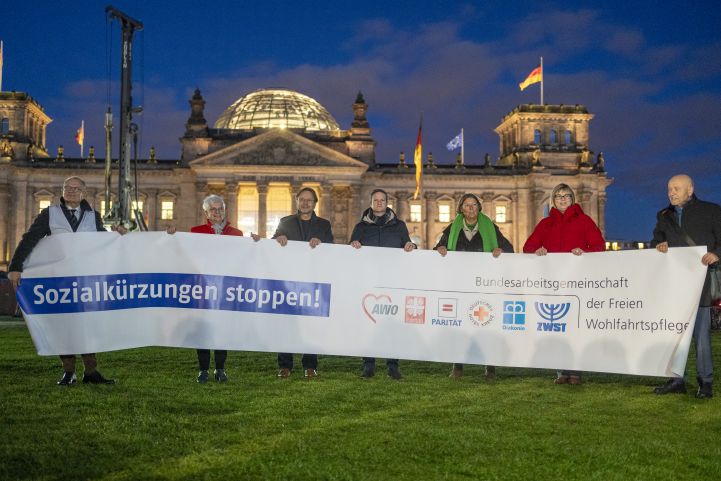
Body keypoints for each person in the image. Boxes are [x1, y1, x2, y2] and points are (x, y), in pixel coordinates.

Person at [8, 176, 123, 386]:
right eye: (67, 188)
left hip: (86, 281)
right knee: (63, 325)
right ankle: (69, 371)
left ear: (84, 193)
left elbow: (103, 242)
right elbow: (29, 239)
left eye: (76, 188)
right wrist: (15, 267)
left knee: (87, 326)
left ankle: (91, 371)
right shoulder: (49, 214)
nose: (71, 191)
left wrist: (117, 235)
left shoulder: (93, 216)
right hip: (59, 282)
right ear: (62, 191)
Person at [523, 183, 606, 385]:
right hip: (553, 283)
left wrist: (584, 253)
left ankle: (576, 371)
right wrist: (538, 251)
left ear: (572, 199)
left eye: (566, 195)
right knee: (557, 327)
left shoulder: (584, 221)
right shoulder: (545, 224)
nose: (562, 199)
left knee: (575, 327)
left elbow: (599, 246)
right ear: (553, 200)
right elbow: (528, 247)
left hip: (577, 282)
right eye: (558, 196)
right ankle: (561, 372)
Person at [650, 174, 721, 399]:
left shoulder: (711, 211)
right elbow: (656, 240)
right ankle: (676, 379)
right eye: (669, 188)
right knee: (673, 336)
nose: (671, 192)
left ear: (690, 190)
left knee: (701, 337)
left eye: (676, 188)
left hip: (700, 284)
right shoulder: (664, 215)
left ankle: (706, 382)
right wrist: (658, 245)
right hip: (674, 285)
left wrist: (716, 254)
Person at [254, 187, 333, 379]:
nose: (305, 203)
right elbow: (272, 246)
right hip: (288, 281)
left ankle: (310, 365)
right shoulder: (285, 222)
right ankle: (285, 365)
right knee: (286, 323)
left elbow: (332, 247)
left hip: (313, 280)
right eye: (302, 200)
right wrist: (276, 239)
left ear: (315, 203)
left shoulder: (324, 224)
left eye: (309, 200)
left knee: (310, 324)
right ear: (297, 201)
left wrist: (321, 242)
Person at [435, 193, 514, 380]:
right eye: (466, 205)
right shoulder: (452, 228)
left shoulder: (489, 227)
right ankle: (458, 365)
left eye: (474, 205)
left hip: (485, 284)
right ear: (461, 208)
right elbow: (437, 249)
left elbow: (508, 248)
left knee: (487, 323)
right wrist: (441, 249)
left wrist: (500, 250)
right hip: (460, 284)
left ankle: (490, 367)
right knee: (460, 324)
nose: (470, 209)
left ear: (479, 208)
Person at [169, 194, 242, 383]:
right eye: (213, 209)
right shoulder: (196, 231)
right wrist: (173, 238)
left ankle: (220, 369)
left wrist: (258, 244)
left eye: (220, 209)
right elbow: (185, 255)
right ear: (206, 213)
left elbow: (244, 258)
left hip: (225, 289)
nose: (217, 213)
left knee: (221, 330)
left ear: (224, 210)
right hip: (202, 289)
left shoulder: (236, 234)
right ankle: (203, 370)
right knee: (202, 330)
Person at [350, 189, 416, 380]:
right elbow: (351, 250)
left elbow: (408, 245)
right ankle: (368, 364)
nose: (379, 203)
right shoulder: (361, 226)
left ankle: (393, 365)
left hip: (392, 282)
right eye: (375, 200)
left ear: (387, 203)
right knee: (368, 323)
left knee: (392, 325)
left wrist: (411, 246)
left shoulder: (399, 225)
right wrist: (353, 245)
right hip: (368, 281)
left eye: (382, 200)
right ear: (370, 203)